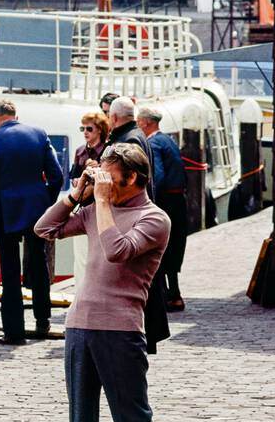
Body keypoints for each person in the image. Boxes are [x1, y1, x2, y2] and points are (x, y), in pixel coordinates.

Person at [34, 142, 184, 422]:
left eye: (112, 180)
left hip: (120, 332)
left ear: (134, 178)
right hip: (79, 328)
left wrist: (100, 203)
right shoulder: (96, 207)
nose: (107, 188)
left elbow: (118, 252)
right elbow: (43, 230)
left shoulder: (155, 219)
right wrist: (76, 194)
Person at [0, 99, 63, 345]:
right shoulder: (38, 134)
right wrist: (46, 202)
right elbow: (56, 176)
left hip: (5, 212)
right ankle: (43, 321)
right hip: (36, 209)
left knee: (11, 272)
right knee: (39, 264)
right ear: (16, 115)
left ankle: (14, 333)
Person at [106, 96, 169, 350]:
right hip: (136, 210)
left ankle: (147, 334)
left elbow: (130, 179)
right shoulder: (135, 134)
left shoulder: (129, 139)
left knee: (140, 277)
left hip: (133, 212)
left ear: (113, 118)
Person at [137, 105, 189, 311]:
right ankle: (174, 293)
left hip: (165, 201)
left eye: (139, 121)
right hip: (178, 201)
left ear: (146, 122)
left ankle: (168, 295)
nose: (138, 124)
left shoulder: (153, 143)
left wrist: (149, 203)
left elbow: (157, 176)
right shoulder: (168, 140)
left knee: (161, 247)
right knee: (174, 246)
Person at [69, 110, 109, 194]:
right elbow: (73, 176)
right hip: (84, 199)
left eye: (89, 129)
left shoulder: (108, 149)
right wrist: (76, 181)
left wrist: (99, 167)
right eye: (82, 129)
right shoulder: (79, 151)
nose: (85, 132)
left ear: (99, 130)